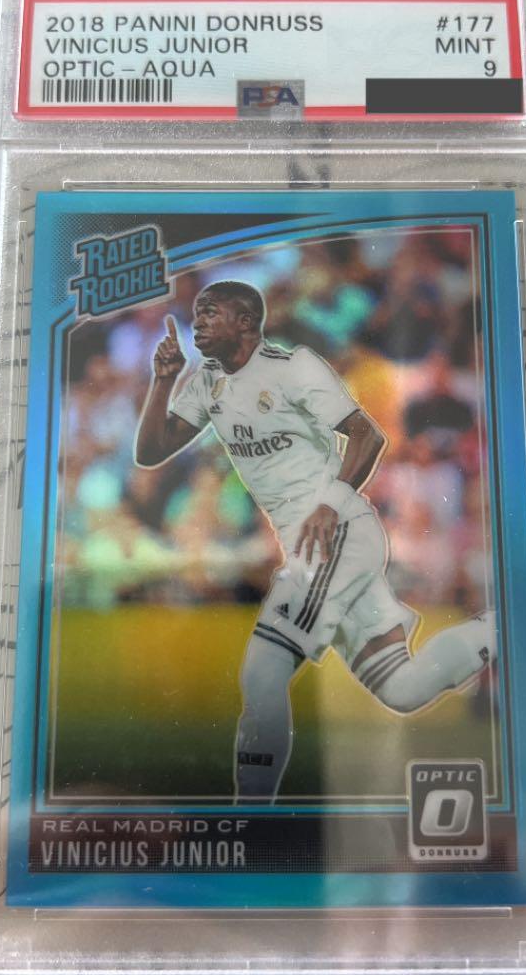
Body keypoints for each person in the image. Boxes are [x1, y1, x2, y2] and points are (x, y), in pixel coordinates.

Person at [134, 280, 495, 802]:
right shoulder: (206, 381)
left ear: (245, 322)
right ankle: (502, 629)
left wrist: (330, 504)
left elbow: (368, 435)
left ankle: (252, 813)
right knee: (401, 687)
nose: (199, 322)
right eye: (197, 313)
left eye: (211, 313)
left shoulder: (293, 368)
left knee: (264, 669)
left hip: (335, 534)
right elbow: (151, 451)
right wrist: (163, 380)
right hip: (313, 542)